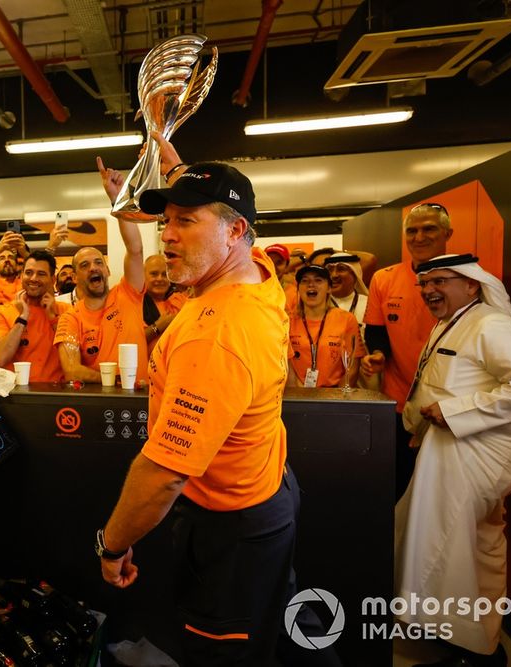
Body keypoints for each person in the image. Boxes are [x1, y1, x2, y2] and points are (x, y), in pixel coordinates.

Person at [97, 144, 330, 665]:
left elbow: (163, 475)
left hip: (235, 526)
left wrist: (110, 545)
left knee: (226, 651)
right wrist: (177, 161)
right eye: (167, 221)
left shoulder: (217, 335)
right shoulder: (256, 271)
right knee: (273, 627)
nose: (169, 234)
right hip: (268, 486)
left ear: (235, 231)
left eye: (186, 221)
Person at [396, 254, 511, 667]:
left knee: (459, 550)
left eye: (440, 281)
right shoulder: (451, 323)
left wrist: (455, 412)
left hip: (477, 455)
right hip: (449, 452)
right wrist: (421, 426)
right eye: (424, 283)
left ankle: (476, 652)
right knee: (470, 547)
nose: (430, 290)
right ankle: (473, 645)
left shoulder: (492, 325)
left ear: (471, 284)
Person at [362, 203, 450, 499]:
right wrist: (378, 354)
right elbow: (376, 330)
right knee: (401, 489)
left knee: (441, 494)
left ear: (447, 233)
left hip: (448, 408)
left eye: (429, 229)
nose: (419, 237)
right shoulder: (384, 279)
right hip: (399, 403)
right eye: (412, 230)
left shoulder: (469, 280)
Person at [54, 157, 146, 384]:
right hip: (104, 405)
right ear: (74, 277)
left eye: (98, 262)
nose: (93, 267)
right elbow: (72, 370)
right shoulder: (71, 319)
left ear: (107, 270)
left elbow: (135, 249)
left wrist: (117, 199)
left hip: (146, 400)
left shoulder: (128, 294)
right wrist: (117, 381)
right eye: (84, 266)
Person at [0, 250, 69, 382]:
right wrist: (22, 317)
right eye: (29, 273)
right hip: (16, 396)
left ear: (53, 279)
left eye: (41, 274)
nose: (33, 278)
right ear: (21, 276)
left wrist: (52, 318)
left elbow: (73, 357)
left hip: (57, 394)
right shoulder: (3, 312)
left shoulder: (66, 310)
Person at [287, 265, 363, 388]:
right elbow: (285, 363)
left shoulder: (346, 319)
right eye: (305, 281)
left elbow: (353, 366)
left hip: (333, 396)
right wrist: (299, 396)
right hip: (297, 393)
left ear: (329, 288)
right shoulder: (287, 321)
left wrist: (336, 400)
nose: (311, 284)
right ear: (298, 289)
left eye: (318, 280)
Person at [141, 254, 186, 346]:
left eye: (165, 274)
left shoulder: (181, 300)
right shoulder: (135, 304)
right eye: (154, 274)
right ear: (143, 276)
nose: (160, 279)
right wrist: (157, 327)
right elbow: (132, 340)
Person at [323, 252, 369, 326]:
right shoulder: (316, 304)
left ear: (355, 274)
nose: (334, 275)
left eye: (341, 269)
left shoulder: (368, 304)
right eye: (330, 270)